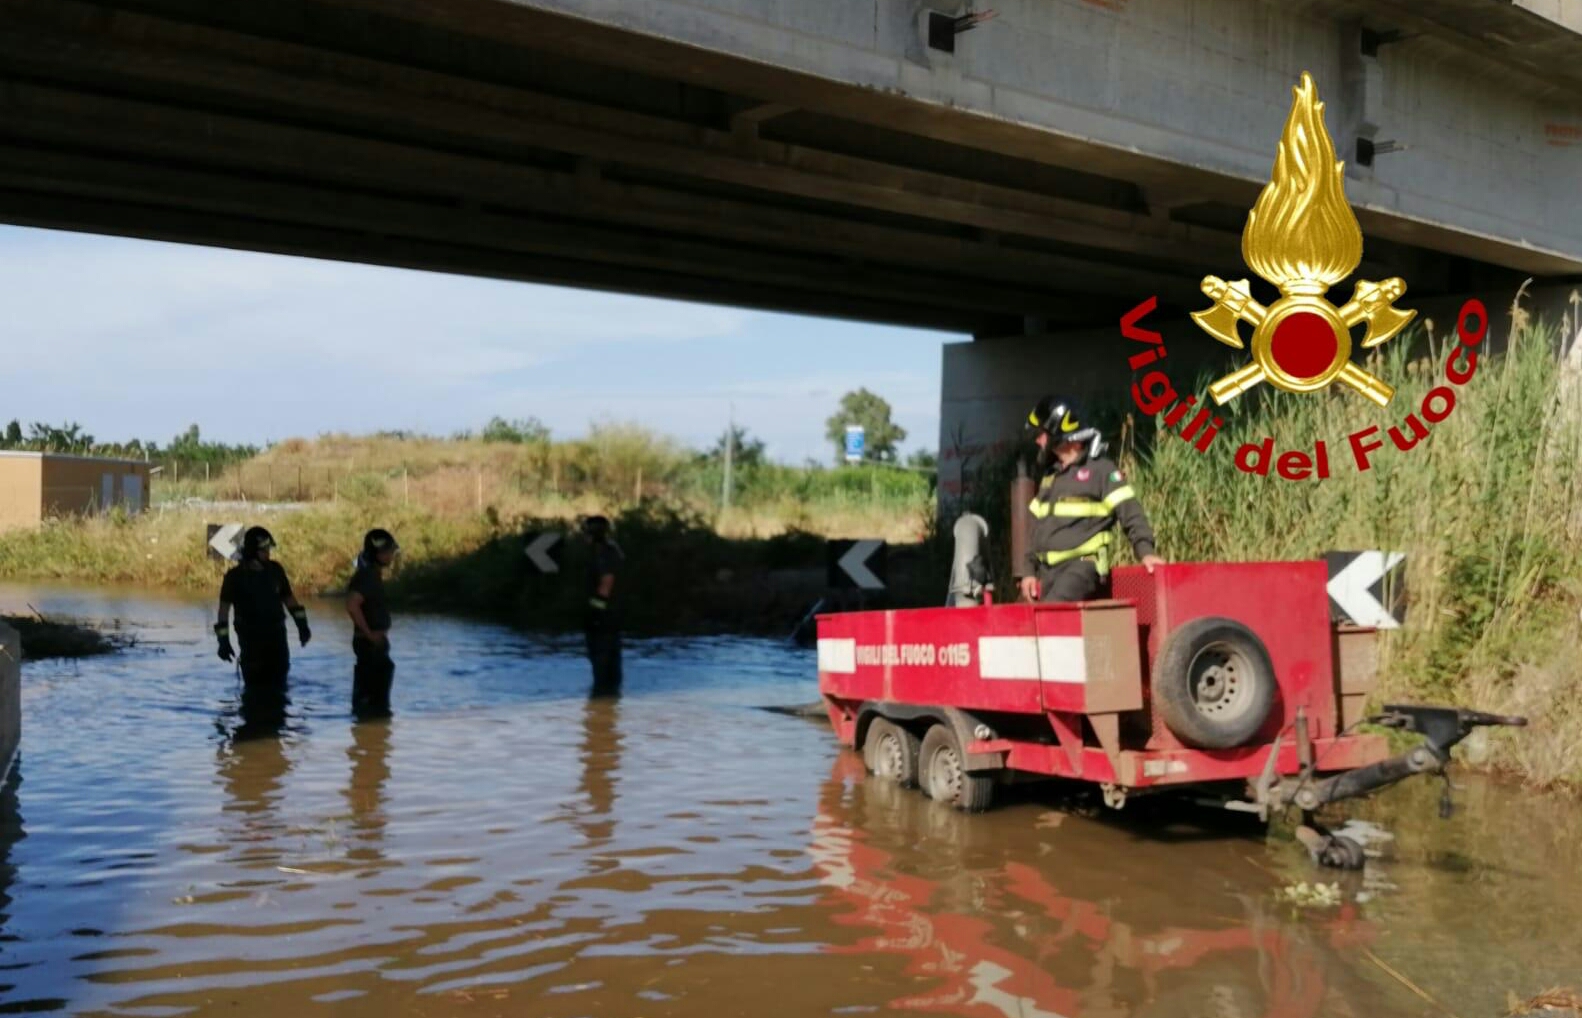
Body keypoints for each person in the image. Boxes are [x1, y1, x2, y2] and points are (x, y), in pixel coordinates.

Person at [1018, 395, 1165, 603]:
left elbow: (1131, 513)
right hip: (1048, 573)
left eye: (1042, 434)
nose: (1038, 440)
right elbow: (1036, 529)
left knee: (1051, 613)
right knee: (1026, 616)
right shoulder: (1051, 476)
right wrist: (1029, 572)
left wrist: (1145, 552)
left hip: (1082, 569)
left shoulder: (1101, 471)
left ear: (1060, 435)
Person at [214, 526, 311, 700]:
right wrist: (223, 642)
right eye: (264, 550)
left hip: (277, 641)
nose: (268, 553)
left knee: (279, 691)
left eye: (268, 549)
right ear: (253, 551)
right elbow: (223, 612)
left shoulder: (276, 571)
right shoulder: (235, 577)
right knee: (254, 694)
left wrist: (303, 626)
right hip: (251, 645)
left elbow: (290, 601)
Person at [346, 528, 399, 718]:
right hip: (369, 644)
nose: (391, 555)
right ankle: (369, 729)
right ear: (378, 553)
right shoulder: (367, 576)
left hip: (372, 644)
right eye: (389, 551)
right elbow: (352, 604)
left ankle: (372, 732)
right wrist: (369, 634)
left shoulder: (371, 574)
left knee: (375, 698)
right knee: (371, 701)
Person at [582, 515, 624, 697]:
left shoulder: (603, 554)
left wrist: (595, 612)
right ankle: (610, 701)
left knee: (601, 662)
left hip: (603, 618)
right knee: (612, 663)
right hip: (614, 616)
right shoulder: (614, 550)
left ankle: (601, 698)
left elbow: (607, 582)